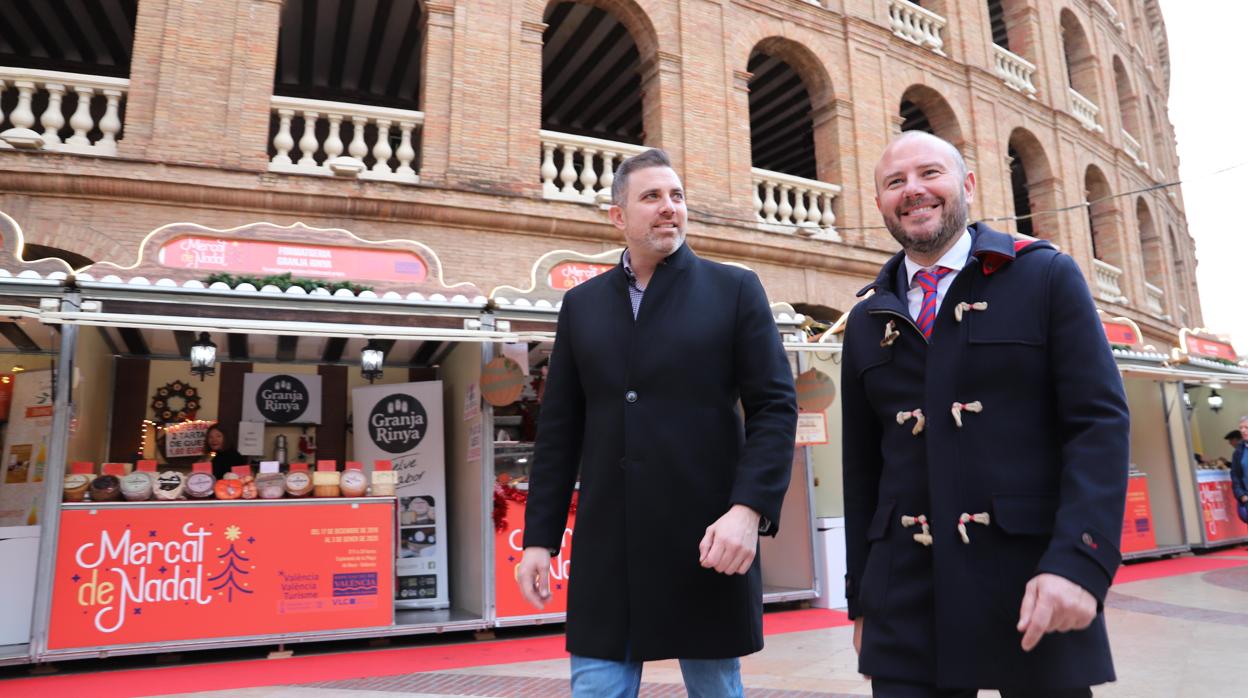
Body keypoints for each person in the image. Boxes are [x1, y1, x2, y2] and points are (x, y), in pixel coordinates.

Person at [840, 131, 1130, 697]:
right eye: (894, 182)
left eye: (930, 174)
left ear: (968, 185)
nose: (913, 191)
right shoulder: (868, 318)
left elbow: (1098, 425)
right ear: (878, 202)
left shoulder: (1044, 276)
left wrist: (1079, 562)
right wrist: (863, 600)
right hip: (905, 596)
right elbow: (862, 475)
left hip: (1032, 579)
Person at [516, 148, 797, 697]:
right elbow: (559, 430)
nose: (669, 208)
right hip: (609, 546)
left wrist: (749, 510)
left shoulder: (734, 290)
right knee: (596, 688)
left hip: (709, 537)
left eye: (677, 196)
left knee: (716, 686)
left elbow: (775, 407)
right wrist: (538, 540)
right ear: (618, 216)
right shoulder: (582, 305)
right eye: (651, 197)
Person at [1232, 417, 1248, 522]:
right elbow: (1235, 476)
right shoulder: (1239, 451)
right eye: (1241, 428)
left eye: (1246, 427)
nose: (1243, 430)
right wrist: (1241, 495)